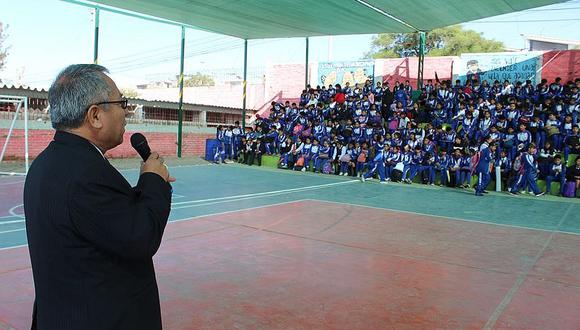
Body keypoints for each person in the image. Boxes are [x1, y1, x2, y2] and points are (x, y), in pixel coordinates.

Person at [24, 64, 174, 330]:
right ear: (95, 115)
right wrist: (153, 181)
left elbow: (105, 222)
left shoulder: (47, 163)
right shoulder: (86, 174)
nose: (126, 112)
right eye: (121, 103)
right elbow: (141, 237)